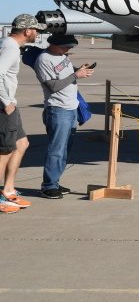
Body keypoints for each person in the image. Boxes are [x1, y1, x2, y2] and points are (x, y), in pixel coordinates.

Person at [33, 34, 94, 199]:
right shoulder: (44, 60)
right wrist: (76, 75)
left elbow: (64, 72)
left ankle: (55, 182)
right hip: (58, 110)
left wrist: (78, 69)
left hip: (71, 108)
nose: (69, 49)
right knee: (56, 150)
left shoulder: (61, 55)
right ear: (55, 44)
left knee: (65, 149)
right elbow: (53, 85)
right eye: (67, 46)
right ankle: (48, 186)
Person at [1, 14, 48, 212]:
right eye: (36, 29)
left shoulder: (9, 45)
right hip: (4, 106)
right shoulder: (10, 48)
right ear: (27, 30)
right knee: (4, 151)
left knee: (21, 143)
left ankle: (8, 190)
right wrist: (6, 102)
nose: (37, 33)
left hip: (10, 105)